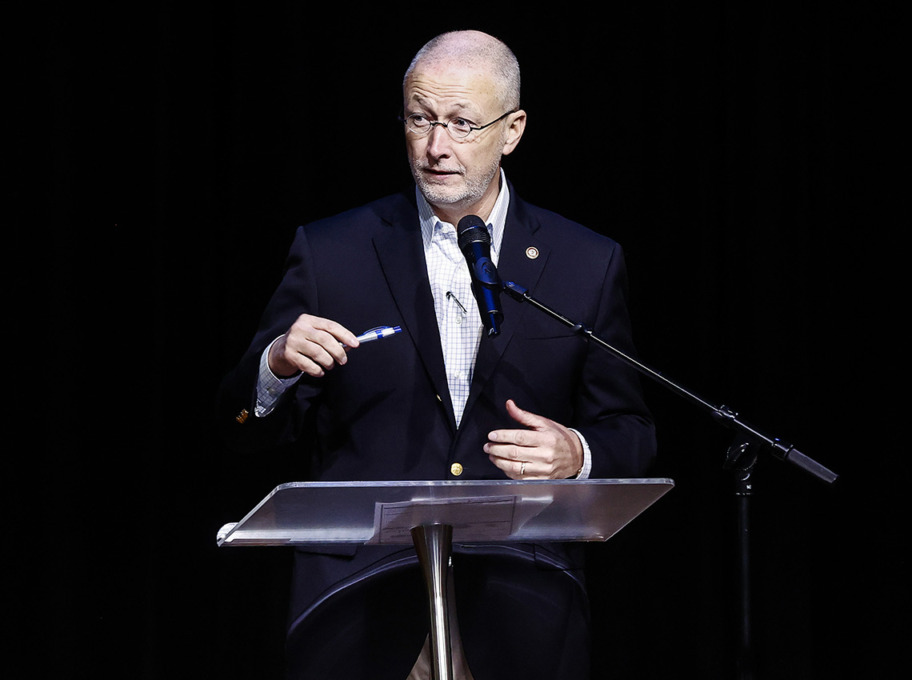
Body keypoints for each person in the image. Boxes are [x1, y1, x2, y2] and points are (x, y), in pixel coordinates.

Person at [218, 29, 656, 680]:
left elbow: (631, 433)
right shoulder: (333, 252)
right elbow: (241, 428)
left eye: (460, 123)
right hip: (358, 605)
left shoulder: (585, 263)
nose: (434, 147)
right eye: (419, 119)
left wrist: (577, 454)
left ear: (513, 130)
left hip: (520, 604)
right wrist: (276, 366)